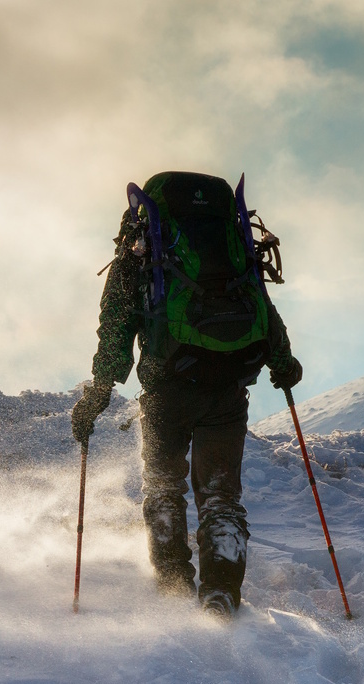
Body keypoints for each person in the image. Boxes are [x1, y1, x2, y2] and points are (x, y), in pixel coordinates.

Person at [71, 171, 303, 616]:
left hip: (167, 389)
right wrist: (283, 362)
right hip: (227, 387)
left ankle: (174, 587)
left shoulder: (140, 254)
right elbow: (263, 305)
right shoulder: (234, 250)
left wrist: (98, 393)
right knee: (221, 497)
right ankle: (220, 595)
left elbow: (115, 330)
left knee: (163, 486)